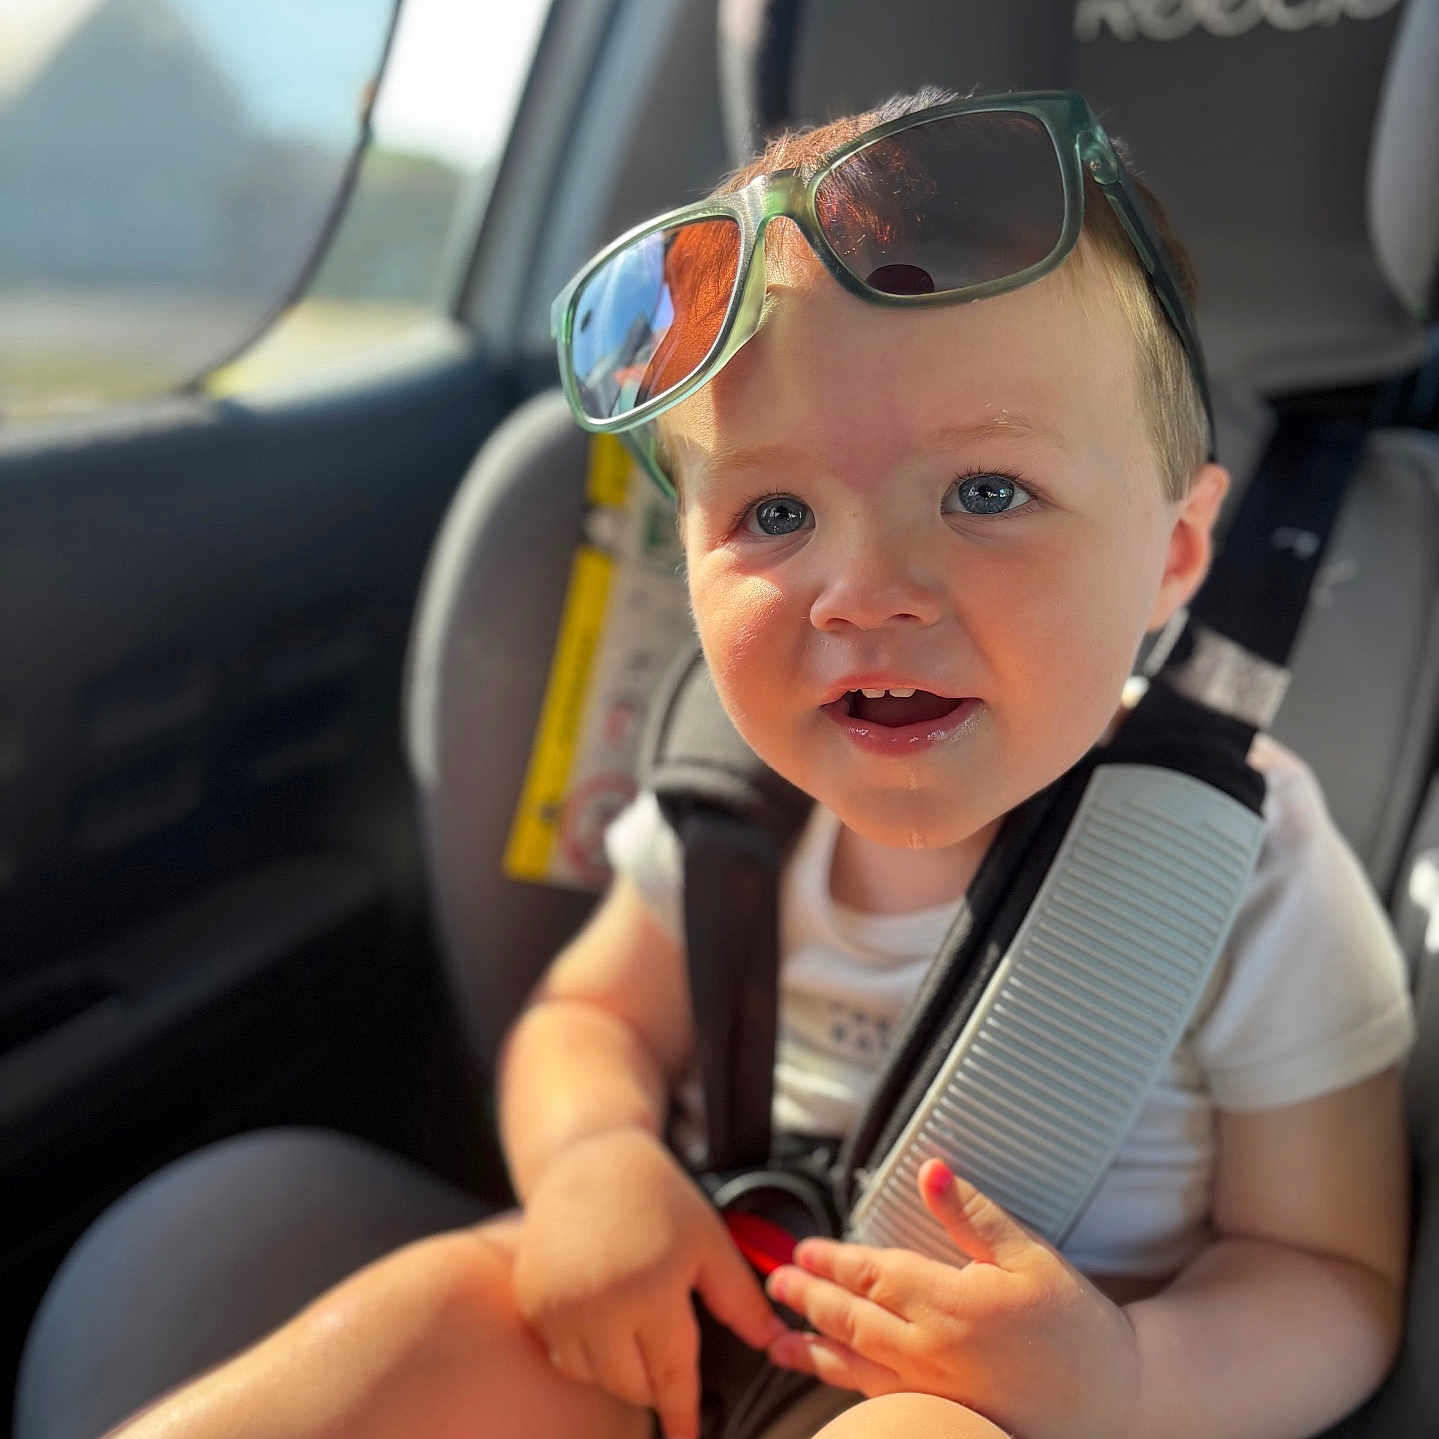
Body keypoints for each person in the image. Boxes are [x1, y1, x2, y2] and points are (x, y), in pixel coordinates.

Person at [96, 87, 1414, 1439]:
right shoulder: (730, 815)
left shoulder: (1240, 864)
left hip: (1012, 1405)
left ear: (1176, 555)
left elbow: (1331, 1274)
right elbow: (589, 1022)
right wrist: (594, 1159)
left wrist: (1129, 1378)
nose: (864, 588)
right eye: (774, 513)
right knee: (436, 1314)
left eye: (986, 493)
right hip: (699, 1330)